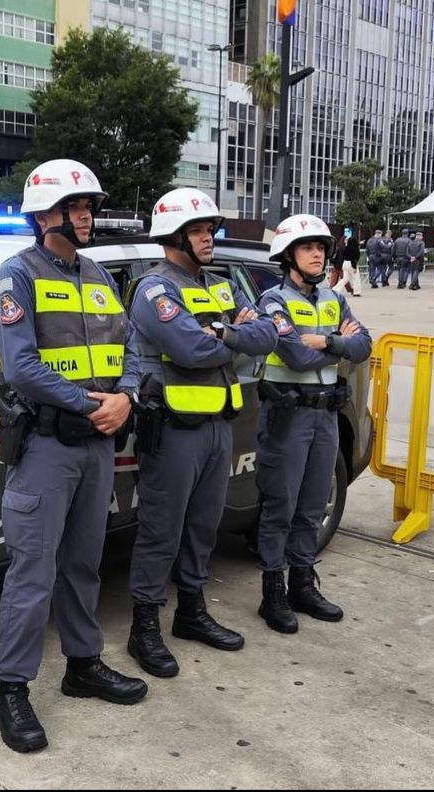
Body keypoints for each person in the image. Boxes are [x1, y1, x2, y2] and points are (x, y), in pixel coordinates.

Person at [0, 158, 147, 754]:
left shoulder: (100, 276)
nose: (86, 215)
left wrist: (126, 397)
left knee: (84, 565)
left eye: (90, 206)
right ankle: (10, 693)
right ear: (43, 214)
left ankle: (83, 665)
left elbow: (130, 345)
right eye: (75, 206)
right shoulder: (15, 277)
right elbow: (23, 367)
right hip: (48, 447)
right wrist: (90, 404)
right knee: (33, 574)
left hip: (96, 446)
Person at [124, 188, 276, 677]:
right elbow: (189, 348)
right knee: (160, 531)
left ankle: (191, 612)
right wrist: (228, 334)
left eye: (210, 228)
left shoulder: (219, 284)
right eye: (198, 230)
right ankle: (144, 627)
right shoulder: (154, 289)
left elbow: (266, 337)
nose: (209, 237)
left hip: (216, 428)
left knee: (203, 526)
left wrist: (222, 333)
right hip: (172, 429)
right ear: (173, 236)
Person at [253, 214, 372, 634]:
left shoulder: (333, 299)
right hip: (288, 417)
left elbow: (364, 345)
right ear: (288, 256)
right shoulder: (273, 302)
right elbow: (295, 357)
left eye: (321, 247)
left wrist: (325, 341)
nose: (318, 253)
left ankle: (303, 583)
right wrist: (339, 345)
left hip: (324, 416)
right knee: (279, 508)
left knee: (311, 506)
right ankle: (273, 593)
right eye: (307, 247)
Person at [340, 232, 361, 297]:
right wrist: (354, 267)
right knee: (356, 278)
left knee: (345, 279)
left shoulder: (346, 248)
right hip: (351, 264)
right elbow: (355, 258)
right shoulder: (355, 249)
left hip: (345, 263)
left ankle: (335, 289)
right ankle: (356, 292)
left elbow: (343, 256)